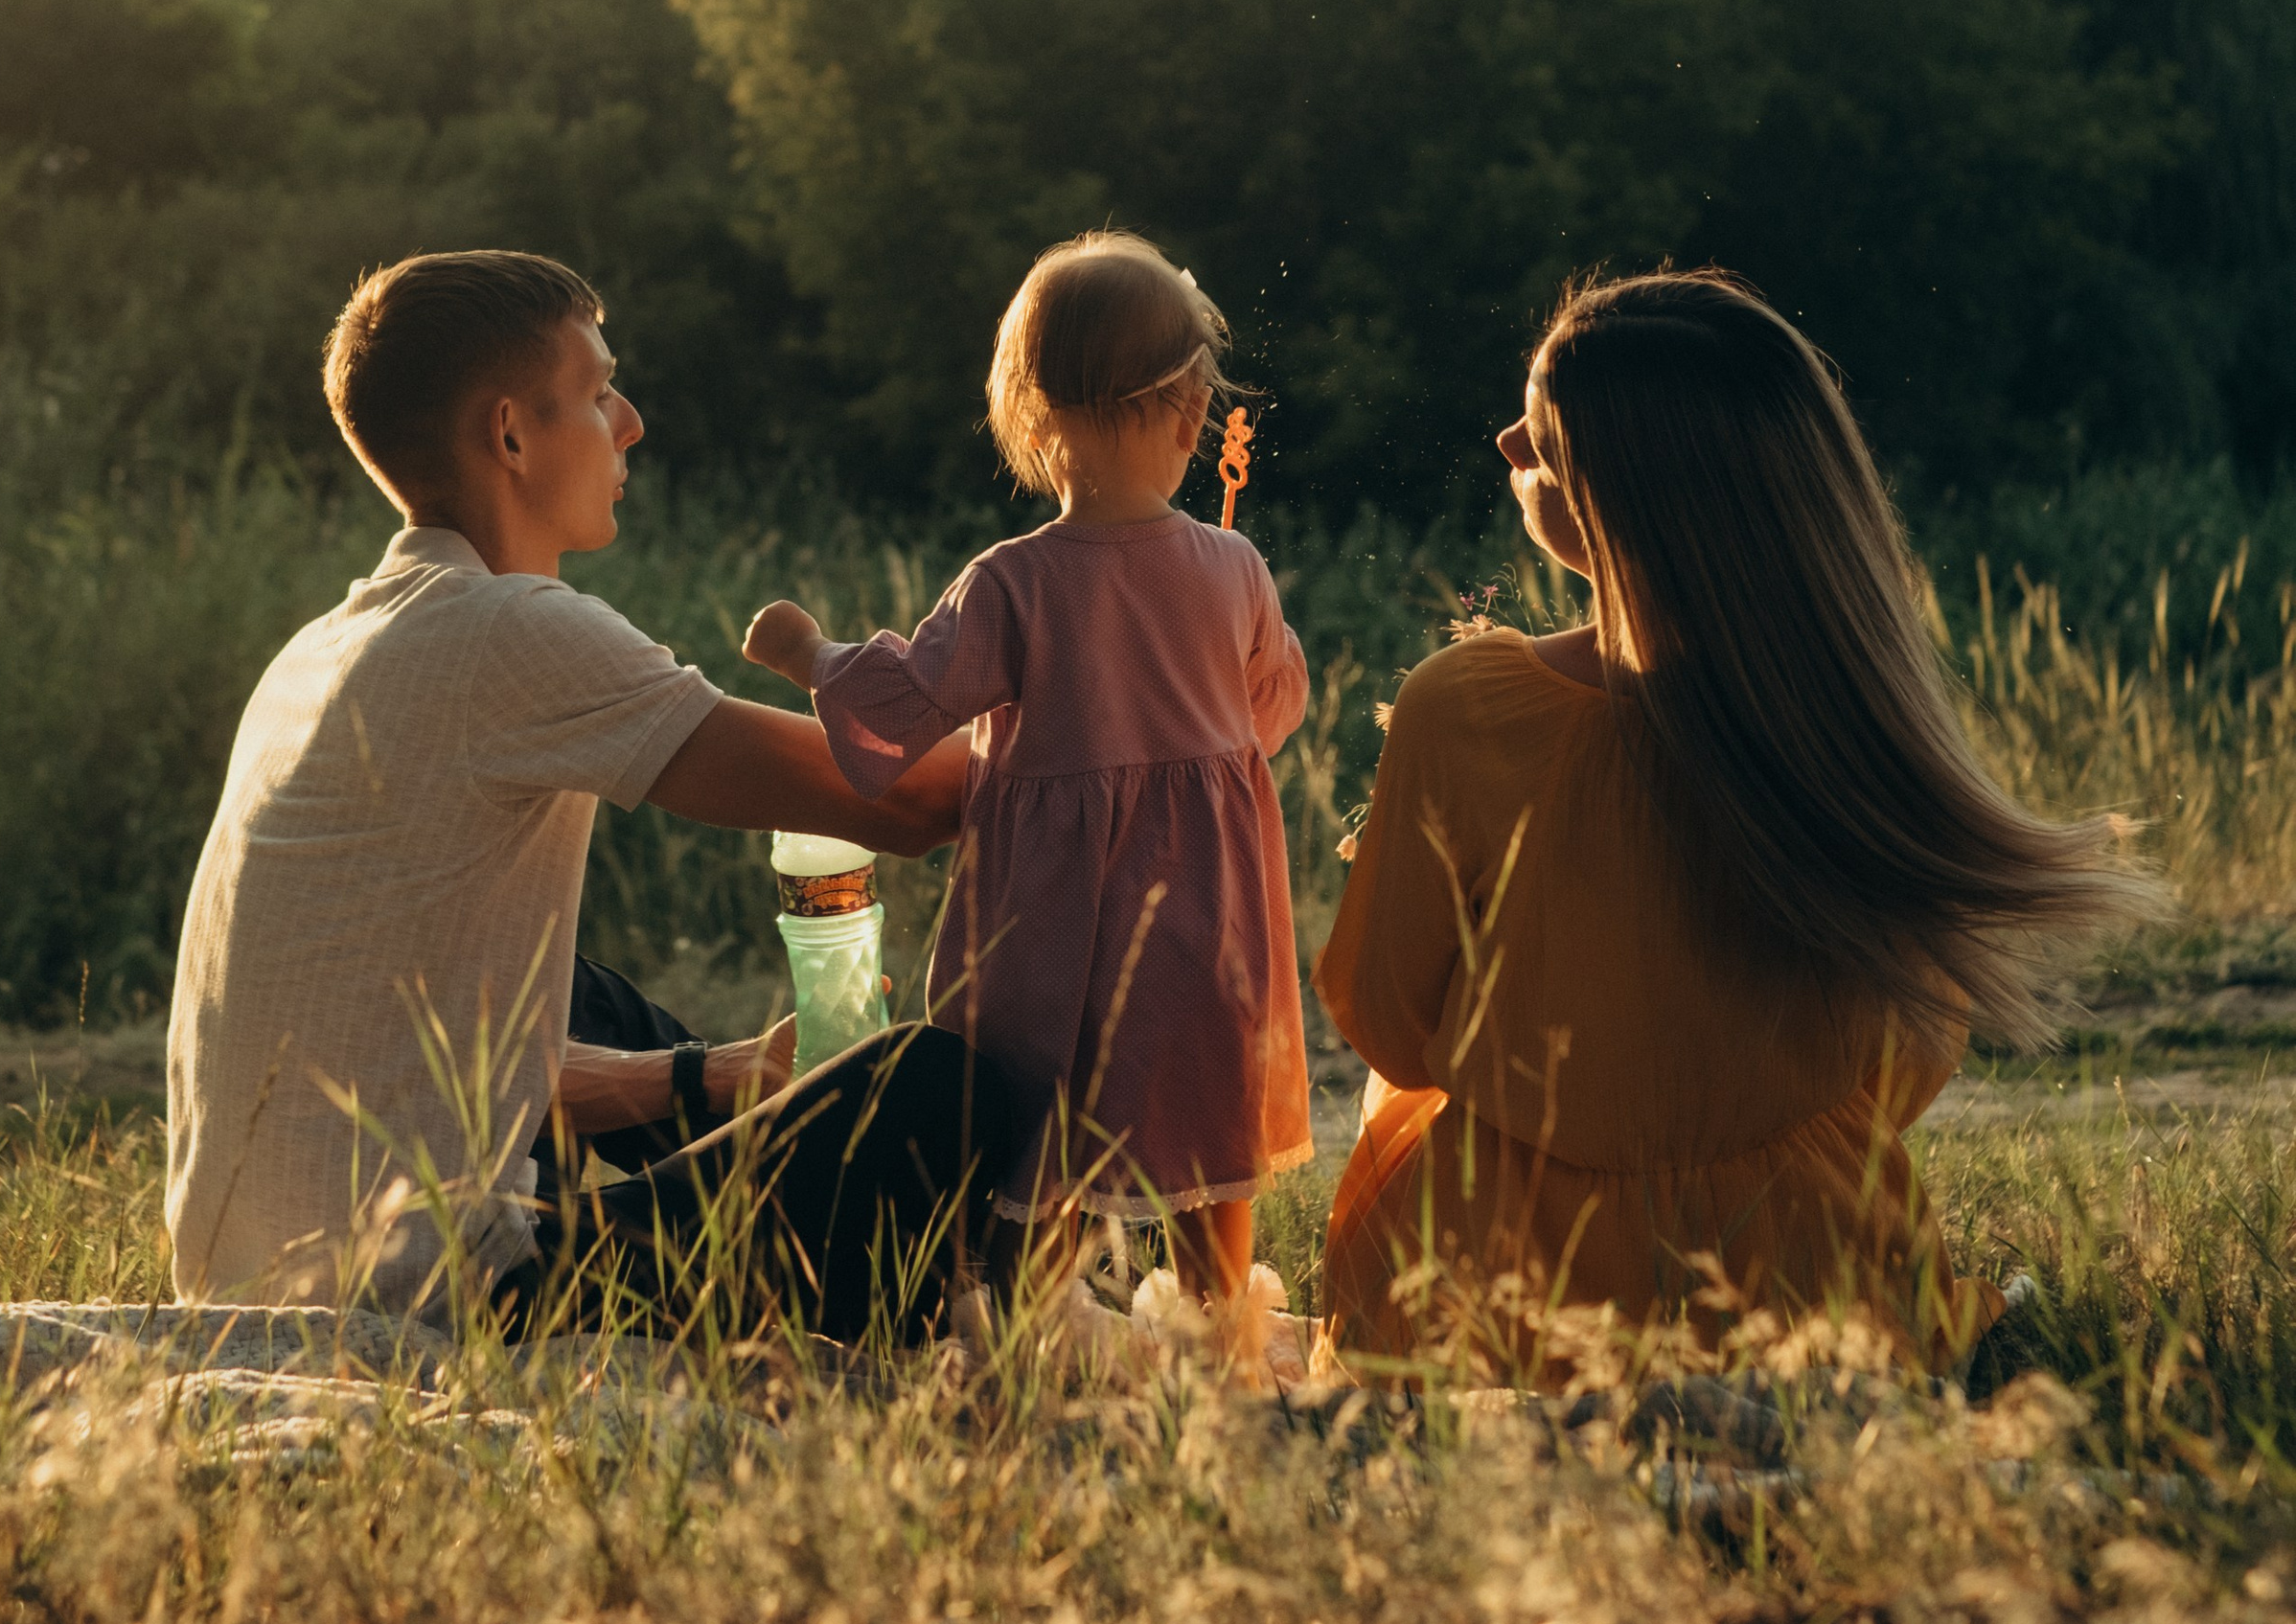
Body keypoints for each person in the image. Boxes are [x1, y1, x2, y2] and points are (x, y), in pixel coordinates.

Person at [1317, 267, 2157, 1381]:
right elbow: (1911, 1053)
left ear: (1620, 492)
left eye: (1540, 441)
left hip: (1484, 1288)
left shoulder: (1462, 707)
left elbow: (1381, 1015)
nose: (1505, 446)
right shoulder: (1840, 721)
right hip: (1808, 1285)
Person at [165, 249, 1008, 1338]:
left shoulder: (321, 648)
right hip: (443, 1298)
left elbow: (410, 1049)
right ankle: (985, 1300)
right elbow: (910, 804)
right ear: (511, 435)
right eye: (601, 391)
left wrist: (712, 1076)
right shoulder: (508, 630)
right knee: (937, 1090)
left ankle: (859, 1223)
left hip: (254, 1274)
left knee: (578, 993)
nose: (632, 423)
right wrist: (1114, 710)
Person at [743, 231, 1312, 1329]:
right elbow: (1270, 711)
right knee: (1206, 1119)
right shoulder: (1233, 565)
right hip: (1208, 916)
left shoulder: (1012, 584)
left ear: (1033, 420)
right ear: (1194, 414)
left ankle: (1031, 1337)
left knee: (1041, 1116)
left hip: (1056, 923)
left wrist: (807, 655)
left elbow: (902, 709)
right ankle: (1224, 1337)